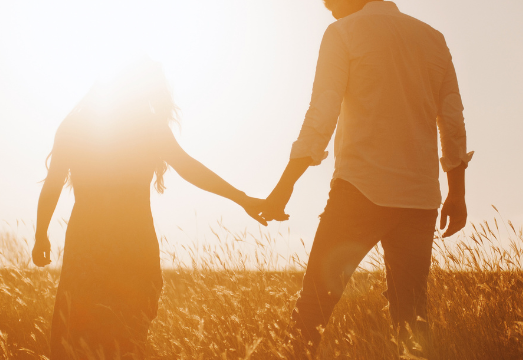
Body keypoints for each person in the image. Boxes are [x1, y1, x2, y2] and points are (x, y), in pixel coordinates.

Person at [260, 0, 474, 357]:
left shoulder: (343, 33)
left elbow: (322, 111)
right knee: (412, 321)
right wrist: (457, 193)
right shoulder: (433, 39)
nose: (325, 4)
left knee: (312, 311)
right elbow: (452, 120)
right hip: (420, 200)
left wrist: (284, 186)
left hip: (359, 192)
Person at [31, 59, 266, 359]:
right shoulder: (147, 127)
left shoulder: (78, 124)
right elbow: (188, 167)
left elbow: (53, 184)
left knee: (78, 339)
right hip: (132, 245)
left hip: (88, 246)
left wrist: (41, 234)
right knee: (126, 340)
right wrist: (242, 198)